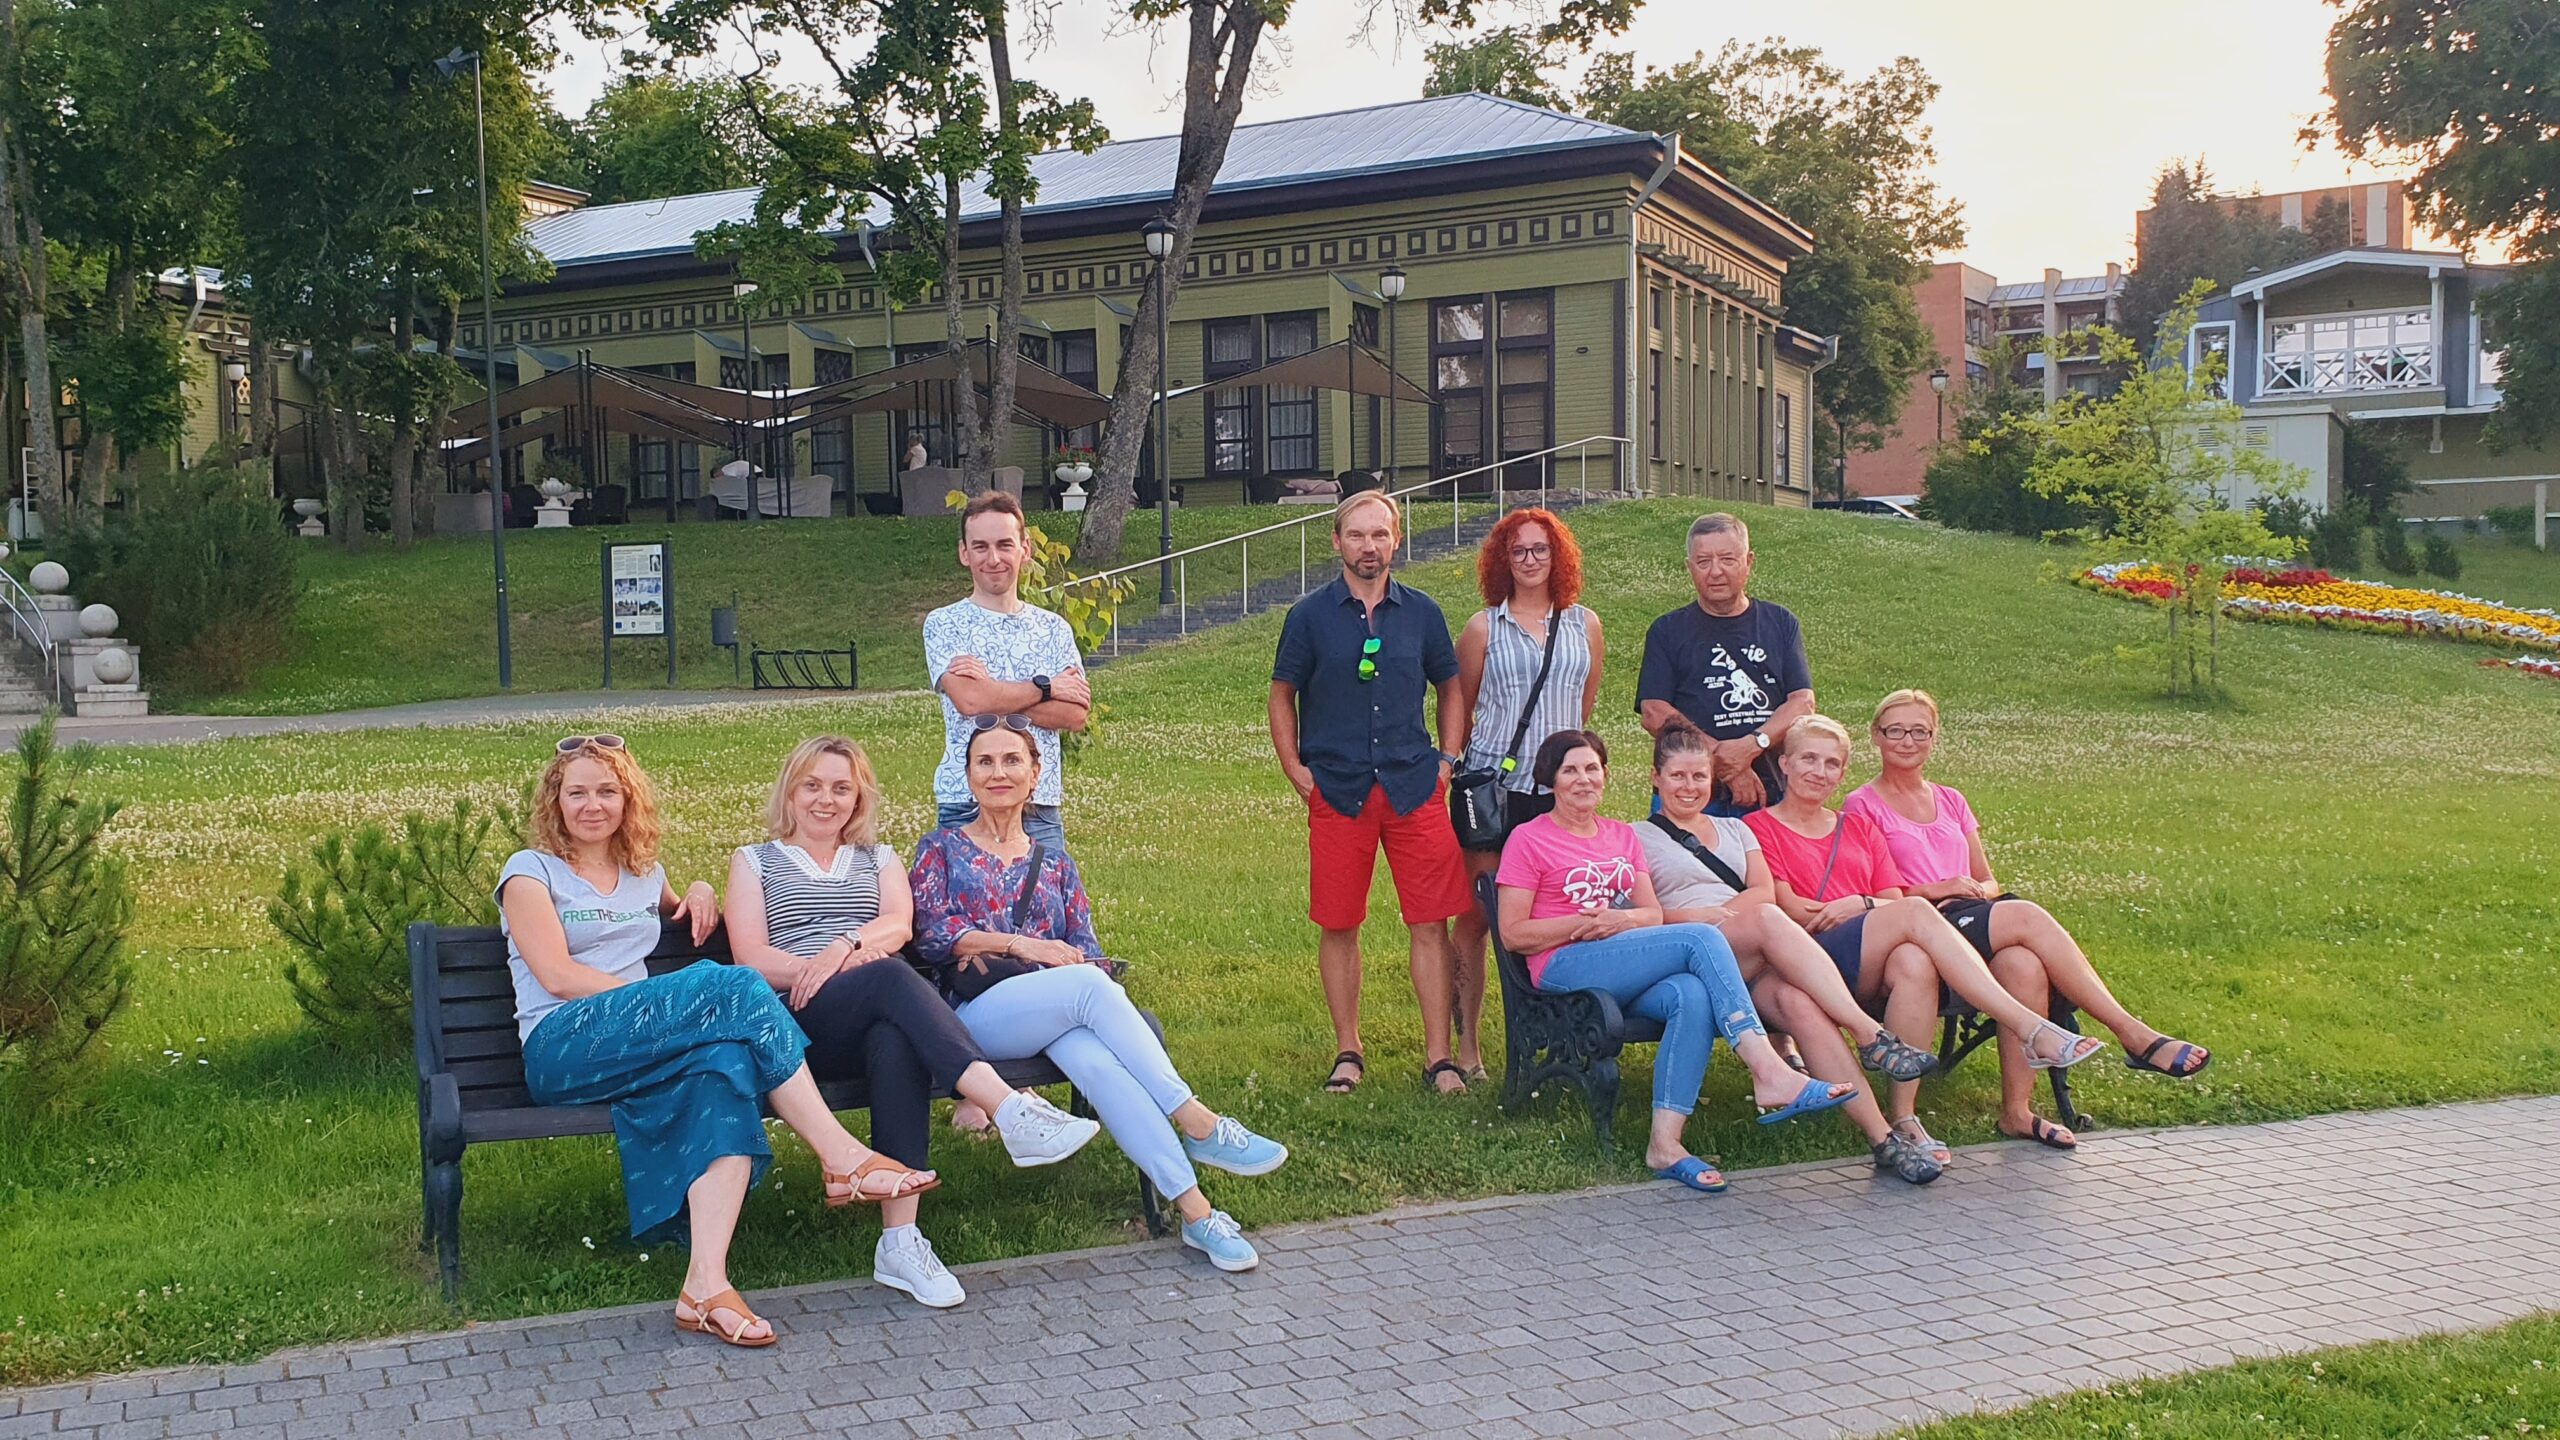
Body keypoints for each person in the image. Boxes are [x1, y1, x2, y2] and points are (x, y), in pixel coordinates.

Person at [499, 735, 933, 1349]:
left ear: (627, 801)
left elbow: (682, 907)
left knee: (725, 1065)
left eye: (607, 792)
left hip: (639, 1042)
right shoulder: (529, 871)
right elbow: (557, 976)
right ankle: (841, 1157)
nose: (593, 805)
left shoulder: (643, 874)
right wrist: (664, 1003)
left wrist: (700, 889)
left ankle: (704, 1287)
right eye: (578, 793)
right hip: (563, 1043)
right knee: (733, 985)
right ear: (556, 801)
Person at [720, 735, 1103, 1309]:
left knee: (895, 1038)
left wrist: (844, 947)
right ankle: (1008, 1108)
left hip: (870, 1012)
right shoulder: (754, 861)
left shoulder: (879, 859)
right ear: (790, 792)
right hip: (792, 1024)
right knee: (891, 976)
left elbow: (899, 925)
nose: (826, 800)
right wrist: (826, 967)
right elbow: (751, 957)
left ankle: (900, 1241)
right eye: (812, 786)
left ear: (858, 798)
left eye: (841, 788)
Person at [910, 715, 1290, 1273]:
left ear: (1035, 773)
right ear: (967, 776)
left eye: (1012, 760)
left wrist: (1068, 966)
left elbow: (1085, 950)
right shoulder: (941, 848)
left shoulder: (1055, 864)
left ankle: (1197, 1213)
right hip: (972, 1022)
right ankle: (1197, 1120)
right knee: (1087, 988)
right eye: (984, 762)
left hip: (1055, 1016)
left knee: (1101, 1064)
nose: (998, 773)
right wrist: (1024, 946)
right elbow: (932, 935)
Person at [1846, 690, 2208, 1149]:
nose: (1907, 740)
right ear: (1876, 736)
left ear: (1934, 738)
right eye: (1896, 730)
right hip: (1919, 924)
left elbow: (1988, 879)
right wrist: (1939, 888)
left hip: (1973, 913)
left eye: (1920, 731)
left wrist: (1976, 890)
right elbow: (1879, 893)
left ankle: (2017, 1111)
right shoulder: (1862, 803)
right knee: (2026, 916)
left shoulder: (1951, 799)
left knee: (2023, 963)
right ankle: (2132, 1034)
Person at [1496, 729, 1854, 1192]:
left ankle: (1665, 1144)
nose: (1583, 779)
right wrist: (1585, 924)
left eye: (1592, 769)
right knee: (1698, 938)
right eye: (1570, 771)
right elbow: (1513, 933)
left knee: (1691, 993)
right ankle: (1767, 1067)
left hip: (1621, 959)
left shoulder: (1620, 836)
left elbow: (1649, 913)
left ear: (1605, 775)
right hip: (1564, 965)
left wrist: (1623, 920)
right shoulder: (1529, 839)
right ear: (1551, 779)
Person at [1747, 716, 2109, 1165]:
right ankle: (2029, 1027)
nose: (1819, 772)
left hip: (1870, 953)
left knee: (1914, 961)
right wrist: (1868, 907)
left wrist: (1859, 903)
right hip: (1809, 958)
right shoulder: (1758, 828)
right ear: (1784, 764)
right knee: (1918, 914)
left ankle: (1904, 1116)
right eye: (1808, 759)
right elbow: (1794, 910)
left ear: (1843, 772)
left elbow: (1890, 897)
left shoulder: (1857, 827)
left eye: (1832, 763)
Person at [1641, 719, 1945, 1183]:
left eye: (1699, 776)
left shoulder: (1735, 829)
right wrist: (1702, 917)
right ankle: (1868, 1033)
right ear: (1656, 778)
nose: (1689, 786)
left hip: (1753, 957)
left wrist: (1727, 913)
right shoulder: (1636, 837)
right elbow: (1645, 913)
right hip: (1692, 949)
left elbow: (1763, 892)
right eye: (1677, 776)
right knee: (1766, 919)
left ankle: (1882, 1139)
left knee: (1798, 1004)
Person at [1269, 490, 1473, 1096]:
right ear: (1337, 541)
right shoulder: (1309, 616)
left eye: (1380, 534)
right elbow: (1282, 694)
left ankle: (1439, 1058)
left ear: (1396, 540)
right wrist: (1294, 768)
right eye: (1356, 535)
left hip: (1414, 787)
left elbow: (1450, 687)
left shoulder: (1423, 613)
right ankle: (1348, 1050)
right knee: (1339, 923)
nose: (1368, 546)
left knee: (1431, 922)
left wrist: (1447, 761)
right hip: (1338, 790)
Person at [1449, 507, 1605, 1081]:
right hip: (1495, 793)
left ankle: (1560, 1034)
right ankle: (1468, 1046)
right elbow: (1463, 706)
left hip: (1561, 795)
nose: (1531, 560)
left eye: (1541, 549)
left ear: (1558, 556)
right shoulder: (1482, 628)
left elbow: (1582, 705)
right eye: (1518, 551)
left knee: (1558, 914)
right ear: (1503, 560)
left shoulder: (1585, 624)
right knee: (1479, 914)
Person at [923, 489, 1088, 852]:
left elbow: (1074, 715)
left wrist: (991, 692)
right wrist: (1046, 688)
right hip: (965, 801)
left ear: (1024, 549)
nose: (993, 558)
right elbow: (969, 701)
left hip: (1038, 804)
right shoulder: (944, 624)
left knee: (1044, 892)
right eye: (980, 547)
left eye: (1004, 545)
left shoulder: (1053, 629)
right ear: (964, 553)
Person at [1634, 512, 1814, 815]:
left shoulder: (1781, 623)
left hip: (1772, 793)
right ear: (1689, 568)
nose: (1715, 571)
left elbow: (1802, 703)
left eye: (1728, 559)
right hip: (1690, 795)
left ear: (1749, 562)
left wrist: (1751, 745)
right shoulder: (1667, 630)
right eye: (1703, 562)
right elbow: (1653, 712)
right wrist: (1720, 757)